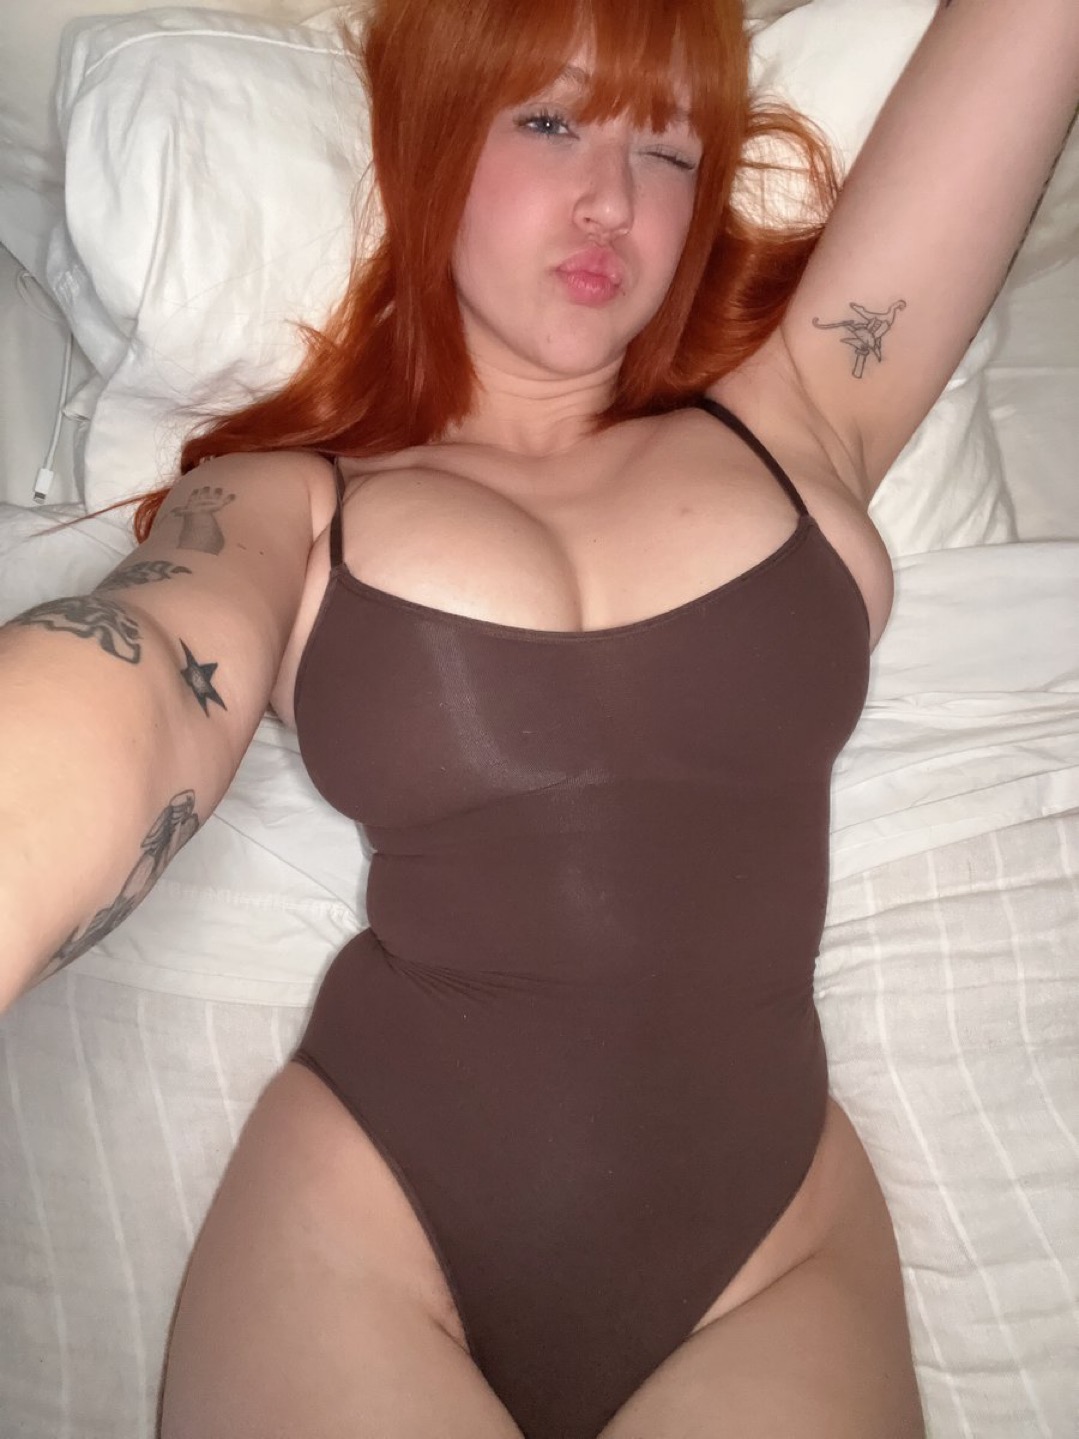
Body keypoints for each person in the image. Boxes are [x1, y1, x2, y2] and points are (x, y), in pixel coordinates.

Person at [1, 0, 1076, 1434]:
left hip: (770, 1253)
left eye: (668, 150)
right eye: (552, 121)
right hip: (371, 1227)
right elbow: (145, 660)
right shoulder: (292, 497)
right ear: (435, 144)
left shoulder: (805, 419)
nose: (611, 199)